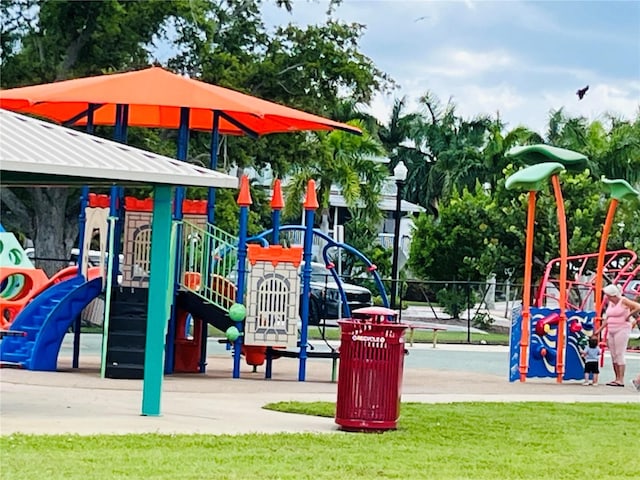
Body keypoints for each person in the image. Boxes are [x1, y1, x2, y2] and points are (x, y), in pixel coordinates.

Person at [595, 284, 640, 387]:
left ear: (613, 295)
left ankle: (621, 379)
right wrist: (600, 330)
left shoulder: (623, 301)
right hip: (611, 329)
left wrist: (628, 316)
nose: (607, 297)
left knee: (620, 353)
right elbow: (608, 318)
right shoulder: (611, 304)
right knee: (613, 354)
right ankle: (616, 378)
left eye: (608, 295)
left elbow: (637, 306)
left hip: (622, 329)